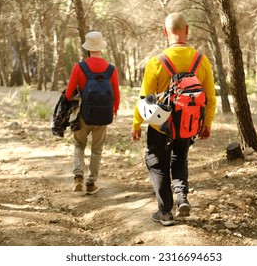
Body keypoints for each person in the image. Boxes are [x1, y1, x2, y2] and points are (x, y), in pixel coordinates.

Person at [131, 13, 216, 226]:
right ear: (187, 30)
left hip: (162, 125)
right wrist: (206, 124)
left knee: (156, 162)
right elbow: (210, 97)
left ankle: (165, 212)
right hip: (188, 124)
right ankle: (182, 198)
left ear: (165, 31)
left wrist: (136, 124)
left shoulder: (156, 62)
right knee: (179, 158)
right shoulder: (201, 60)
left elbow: (145, 99)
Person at [65, 31, 120, 195]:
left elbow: (68, 94)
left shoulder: (79, 67)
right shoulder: (111, 69)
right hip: (103, 115)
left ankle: (78, 178)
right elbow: (116, 94)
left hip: (83, 114)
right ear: (101, 47)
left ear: (88, 48)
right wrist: (114, 109)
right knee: (97, 150)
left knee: (79, 145)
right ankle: (91, 183)